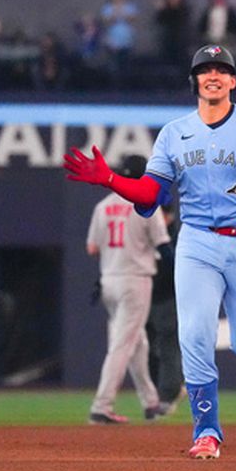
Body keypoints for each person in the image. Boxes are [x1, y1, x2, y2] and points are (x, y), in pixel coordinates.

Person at [64, 44, 236, 459]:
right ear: (195, 81)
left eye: (221, 69)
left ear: (233, 80)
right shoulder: (174, 133)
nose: (212, 75)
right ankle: (207, 432)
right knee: (194, 335)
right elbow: (150, 193)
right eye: (204, 70)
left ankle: (210, 418)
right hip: (197, 241)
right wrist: (110, 178)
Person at [85, 154, 172, 425]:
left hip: (109, 279)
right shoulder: (146, 202)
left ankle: (150, 402)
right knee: (123, 344)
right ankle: (101, 406)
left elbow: (92, 248)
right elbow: (163, 246)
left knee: (137, 343)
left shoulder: (103, 206)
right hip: (135, 281)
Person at [144, 202, 185, 414]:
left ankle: (168, 395)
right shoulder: (146, 231)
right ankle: (155, 395)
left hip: (168, 299)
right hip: (144, 298)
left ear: (168, 216)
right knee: (146, 348)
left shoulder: (178, 237)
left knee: (169, 347)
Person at [100, 0, 137, 88]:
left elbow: (132, 18)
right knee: (113, 66)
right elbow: (106, 20)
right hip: (112, 42)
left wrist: (122, 12)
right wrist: (116, 12)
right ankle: (113, 88)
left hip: (127, 41)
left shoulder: (130, 7)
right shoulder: (107, 8)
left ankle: (126, 87)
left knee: (126, 66)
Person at [154, 0, 190, 68]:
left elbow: (181, 20)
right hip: (167, 41)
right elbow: (159, 21)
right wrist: (161, 10)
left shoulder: (185, 9)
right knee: (167, 65)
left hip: (181, 43)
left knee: (181, 65)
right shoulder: (165, 10)